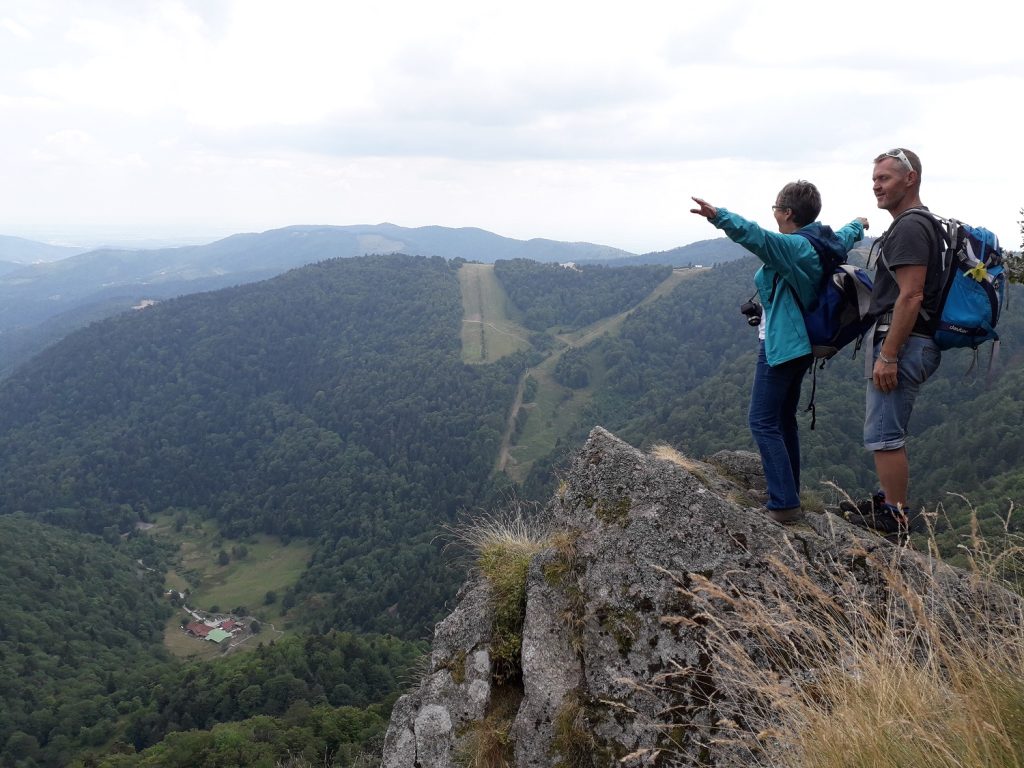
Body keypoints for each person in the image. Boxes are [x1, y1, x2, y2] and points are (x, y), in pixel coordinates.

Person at [691, 183, 868, 523]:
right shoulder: (822, 240)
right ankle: (789, 493)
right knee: (784, 418)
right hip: (803, 344)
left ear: (787, 213)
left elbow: (757, 237)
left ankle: (784, 503)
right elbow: (846, 235)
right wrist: (859, 223)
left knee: (761, 420)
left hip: (784, 345)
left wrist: (719, 216)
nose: (773, 212)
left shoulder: (793, 247)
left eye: (776, 207)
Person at [847, 148, 942, 538]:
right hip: (910, 340)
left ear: (910, 178)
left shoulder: (909, 227)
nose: (876, 186)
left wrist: (887, 355)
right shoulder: (920, 224)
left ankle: (894, 518)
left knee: (885, 436)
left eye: (884, 178)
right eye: (874, 180)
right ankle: (888, 502)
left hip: (902, 342)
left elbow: (911, 295)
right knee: (886, 431)